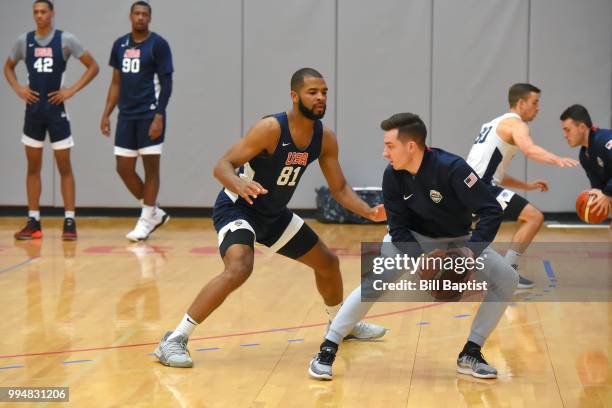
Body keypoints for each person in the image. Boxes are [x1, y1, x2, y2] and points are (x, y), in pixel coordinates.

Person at [154, 67, 387, 368]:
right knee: (240, 266)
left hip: (273, 215)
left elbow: (339, 188)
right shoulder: (270, 129)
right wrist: (239, 183)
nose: (320, 98)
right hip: (238, 208)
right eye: (312, 92)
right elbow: (222, 165)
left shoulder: (324, 138)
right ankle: (175, 339)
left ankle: (341, 325)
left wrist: (369, 212)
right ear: (294, 96)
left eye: (324, 92)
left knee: (328, 263)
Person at [308, 112, 518, 380]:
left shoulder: (453, 169)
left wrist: (470, 251)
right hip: (412, 237)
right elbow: (397, 228)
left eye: (390, 145)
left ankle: (471, 352)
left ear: (411, 146)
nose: (385, 153)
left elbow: (491, 211)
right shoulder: (392, 175)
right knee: (378, 279)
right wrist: (421, 260)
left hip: (458, 240)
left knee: (507, 279)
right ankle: (328, 347)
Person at [466, 83, 578, 288]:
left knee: (472, 236)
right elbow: (530, 149)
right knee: (534, 217)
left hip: (471, 185)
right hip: (481, 187)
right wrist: (556, 159)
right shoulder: (516, 124)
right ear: (521, 103)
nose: (538, 108)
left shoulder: (493, 124)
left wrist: (526, 185)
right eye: (535, 102)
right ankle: (504, 274)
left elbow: (492, 171)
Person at [4, 0, 99, 241]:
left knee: (64, 166)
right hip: (33, 113)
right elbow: (8, 67)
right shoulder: (23, 41)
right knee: (33, 167)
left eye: (43, 11)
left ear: (52, 13)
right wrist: (18, 88)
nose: (39, 16)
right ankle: (33, 221)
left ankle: (69, 220)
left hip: (57, 113)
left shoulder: (65, 40)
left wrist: (71, 90)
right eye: (35, 12)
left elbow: (93, 66)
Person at [100, 1, 173, 241]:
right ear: (130, 17)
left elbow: (167, 84)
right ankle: (153, 211)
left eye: (145, 14)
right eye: (137, 13)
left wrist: (159, 115)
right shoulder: (119, 45)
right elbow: (115, 83)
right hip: (126, 116)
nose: (140, 17)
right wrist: (106, 113)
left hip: (149, 115)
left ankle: (145, 219)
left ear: (149, 18)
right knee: (123, 168)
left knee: (151, 168)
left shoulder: (158, 45)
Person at [560, 104, 611, 218]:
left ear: (582, 127)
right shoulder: (584, 156)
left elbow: (606, 192)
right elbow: (598, 189)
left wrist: (607, 193)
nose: (565, 135)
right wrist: (592, 202)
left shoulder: (605, 139)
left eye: (568, 130)